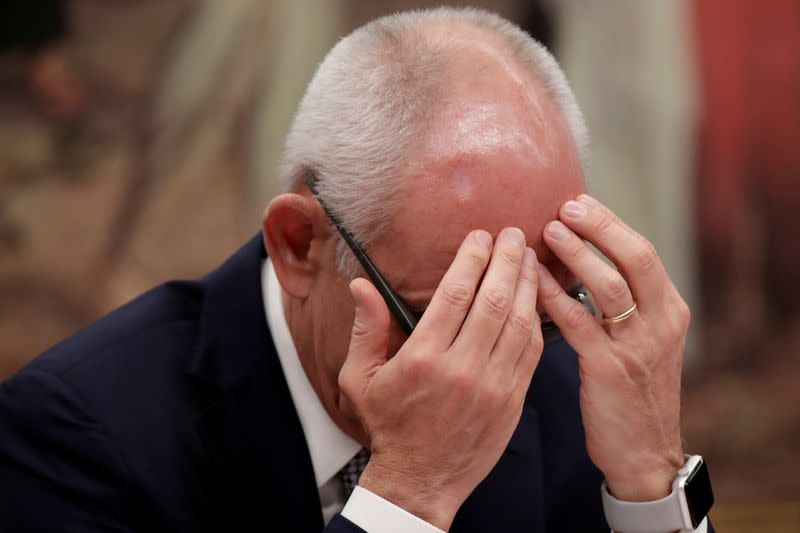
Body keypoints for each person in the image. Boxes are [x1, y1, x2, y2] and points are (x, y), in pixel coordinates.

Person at [0, 8, 714, 533]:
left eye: (542, 304)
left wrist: (652, 480)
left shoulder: (559, 385)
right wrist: (407, 496)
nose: (494, 371)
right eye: (442, 316)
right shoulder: (74, 439)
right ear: (297, 245)